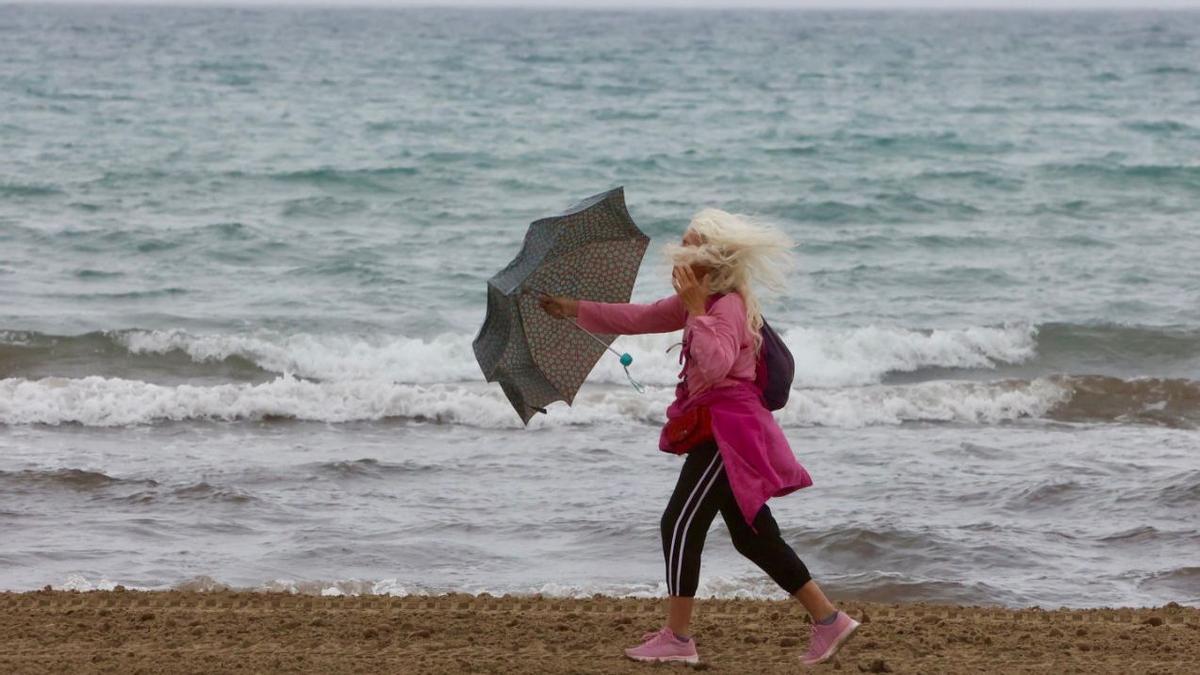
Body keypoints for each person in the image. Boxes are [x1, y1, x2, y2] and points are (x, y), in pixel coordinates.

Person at [538, 208, 859, 666]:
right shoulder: (706, 298)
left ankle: (678, 638)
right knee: (752, 536)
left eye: (690, 246)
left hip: (728, 432)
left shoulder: (724, 304)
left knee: (680, 523)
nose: (681, 252)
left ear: (712, 260)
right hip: (726, 428)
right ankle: (829, 621)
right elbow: (642, 317)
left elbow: (715, 365)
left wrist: (693, 310)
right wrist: (571, 309)